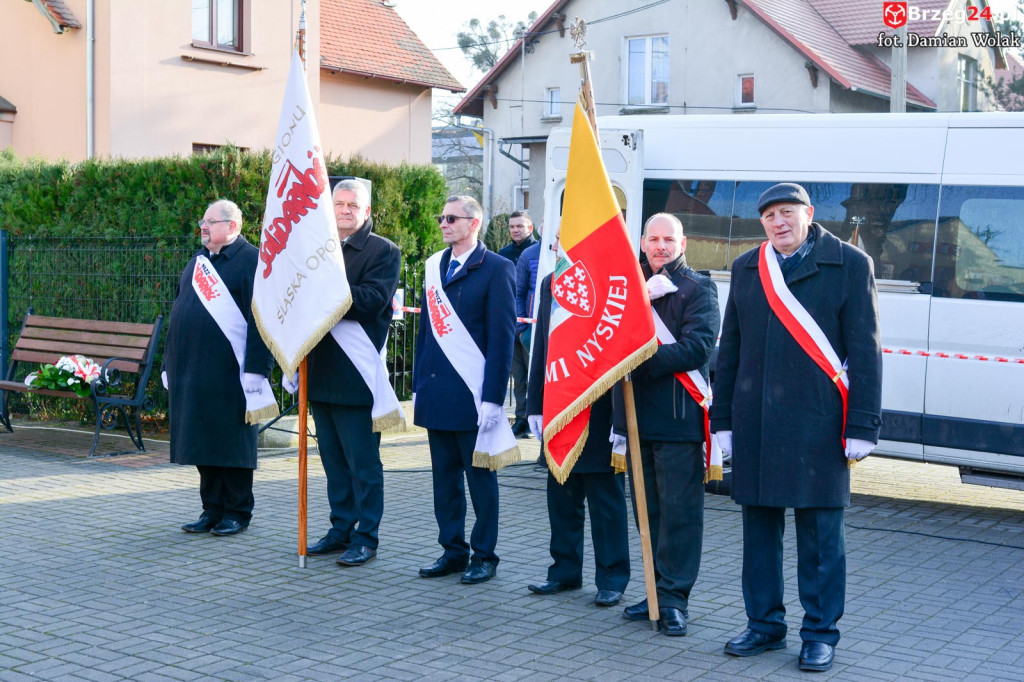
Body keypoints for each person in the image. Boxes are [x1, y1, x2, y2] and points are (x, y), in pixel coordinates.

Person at [712, 183, 882, 672]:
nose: (778, 222)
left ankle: (820, 633)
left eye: (787, 212)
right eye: (769, 216)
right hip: (758, 421)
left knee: (821, 538)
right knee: (759, 536)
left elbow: (865, 351)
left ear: (808, 213)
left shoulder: (849, 263)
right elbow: (730, 351)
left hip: (820, 422)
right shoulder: (748, 267)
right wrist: (722, 419)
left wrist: (862, 425)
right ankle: (763, 625)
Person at [612, 213, 720, 636]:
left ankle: (675, 599)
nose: (660, 246)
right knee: (648, 512)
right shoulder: (628, 288)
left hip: (678, 418)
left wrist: (637, 360)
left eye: (668, 239)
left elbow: (697, 348)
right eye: (653, 239)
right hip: (636, 419)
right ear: (641, 243)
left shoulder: (698, 288)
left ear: (683, 242)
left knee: (679, 517)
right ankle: (654, 592)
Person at [413, 195, 516, 585]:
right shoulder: (434, 267)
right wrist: (418, 385)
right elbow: (427, 334)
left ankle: (484, 555)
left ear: (474, 223)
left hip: (473, 398)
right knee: (445, 481)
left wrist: (493, 398)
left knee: (480, 481)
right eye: (441, 217)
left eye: (452, 218)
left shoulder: (497, 268)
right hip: (438, 392)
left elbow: (502, 339)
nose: (444, 223)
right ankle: (452, 550)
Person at [301, 179, 401, 567]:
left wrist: (327, 288)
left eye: (352, 205)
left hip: (356, 374)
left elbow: (374, 302)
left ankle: (366, 536)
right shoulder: (318, 248)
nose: (344, 210)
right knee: (333, 463)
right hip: (320, 371)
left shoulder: (383, 251)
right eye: (338, 203)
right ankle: (341, 527)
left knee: (363, 464)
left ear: (367, 211)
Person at [163, 199, 275, 537]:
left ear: (233, 226)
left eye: (211, 221)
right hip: (193, 370)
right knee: (202, 440)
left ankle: (237, 512)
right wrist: (170, 362)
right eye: (203, 220)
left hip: (232, 372)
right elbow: (177, 313)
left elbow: (261, 319)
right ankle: (211, 509)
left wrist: (257, 368)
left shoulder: (251, 260)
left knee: (232, 443)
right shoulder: (198, 261)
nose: (204, 226)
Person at [526, 268, 630, 608]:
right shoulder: (550, 282)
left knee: (606, 504)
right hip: (558, 403)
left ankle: (612, 578)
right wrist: (533, 402)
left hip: (601, 406)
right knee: (561, 499)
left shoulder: (613, 276)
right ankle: (564, 571)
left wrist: (621, 421)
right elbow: (543, 342)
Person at [497, 211, 538, 438]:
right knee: (518, 377)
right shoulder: (503, 254)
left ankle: (533, 418)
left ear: (530, 228)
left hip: (529, 325)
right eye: (512, 226)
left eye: (520, 226)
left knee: (533, 375)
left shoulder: (537, 252)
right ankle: (520, 418)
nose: (515, 230)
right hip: (508, 324)